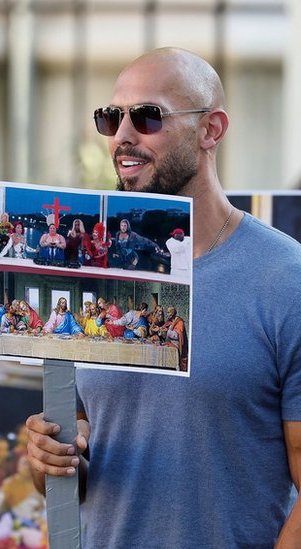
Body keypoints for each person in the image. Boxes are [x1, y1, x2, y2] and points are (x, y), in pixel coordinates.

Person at [25, 47, 301, 547]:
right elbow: (79, 460)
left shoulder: (286, 279)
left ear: (210, 130)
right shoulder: (91, 275)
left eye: (148, 117)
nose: (123, 135)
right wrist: (48, 460)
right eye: (111, 117)